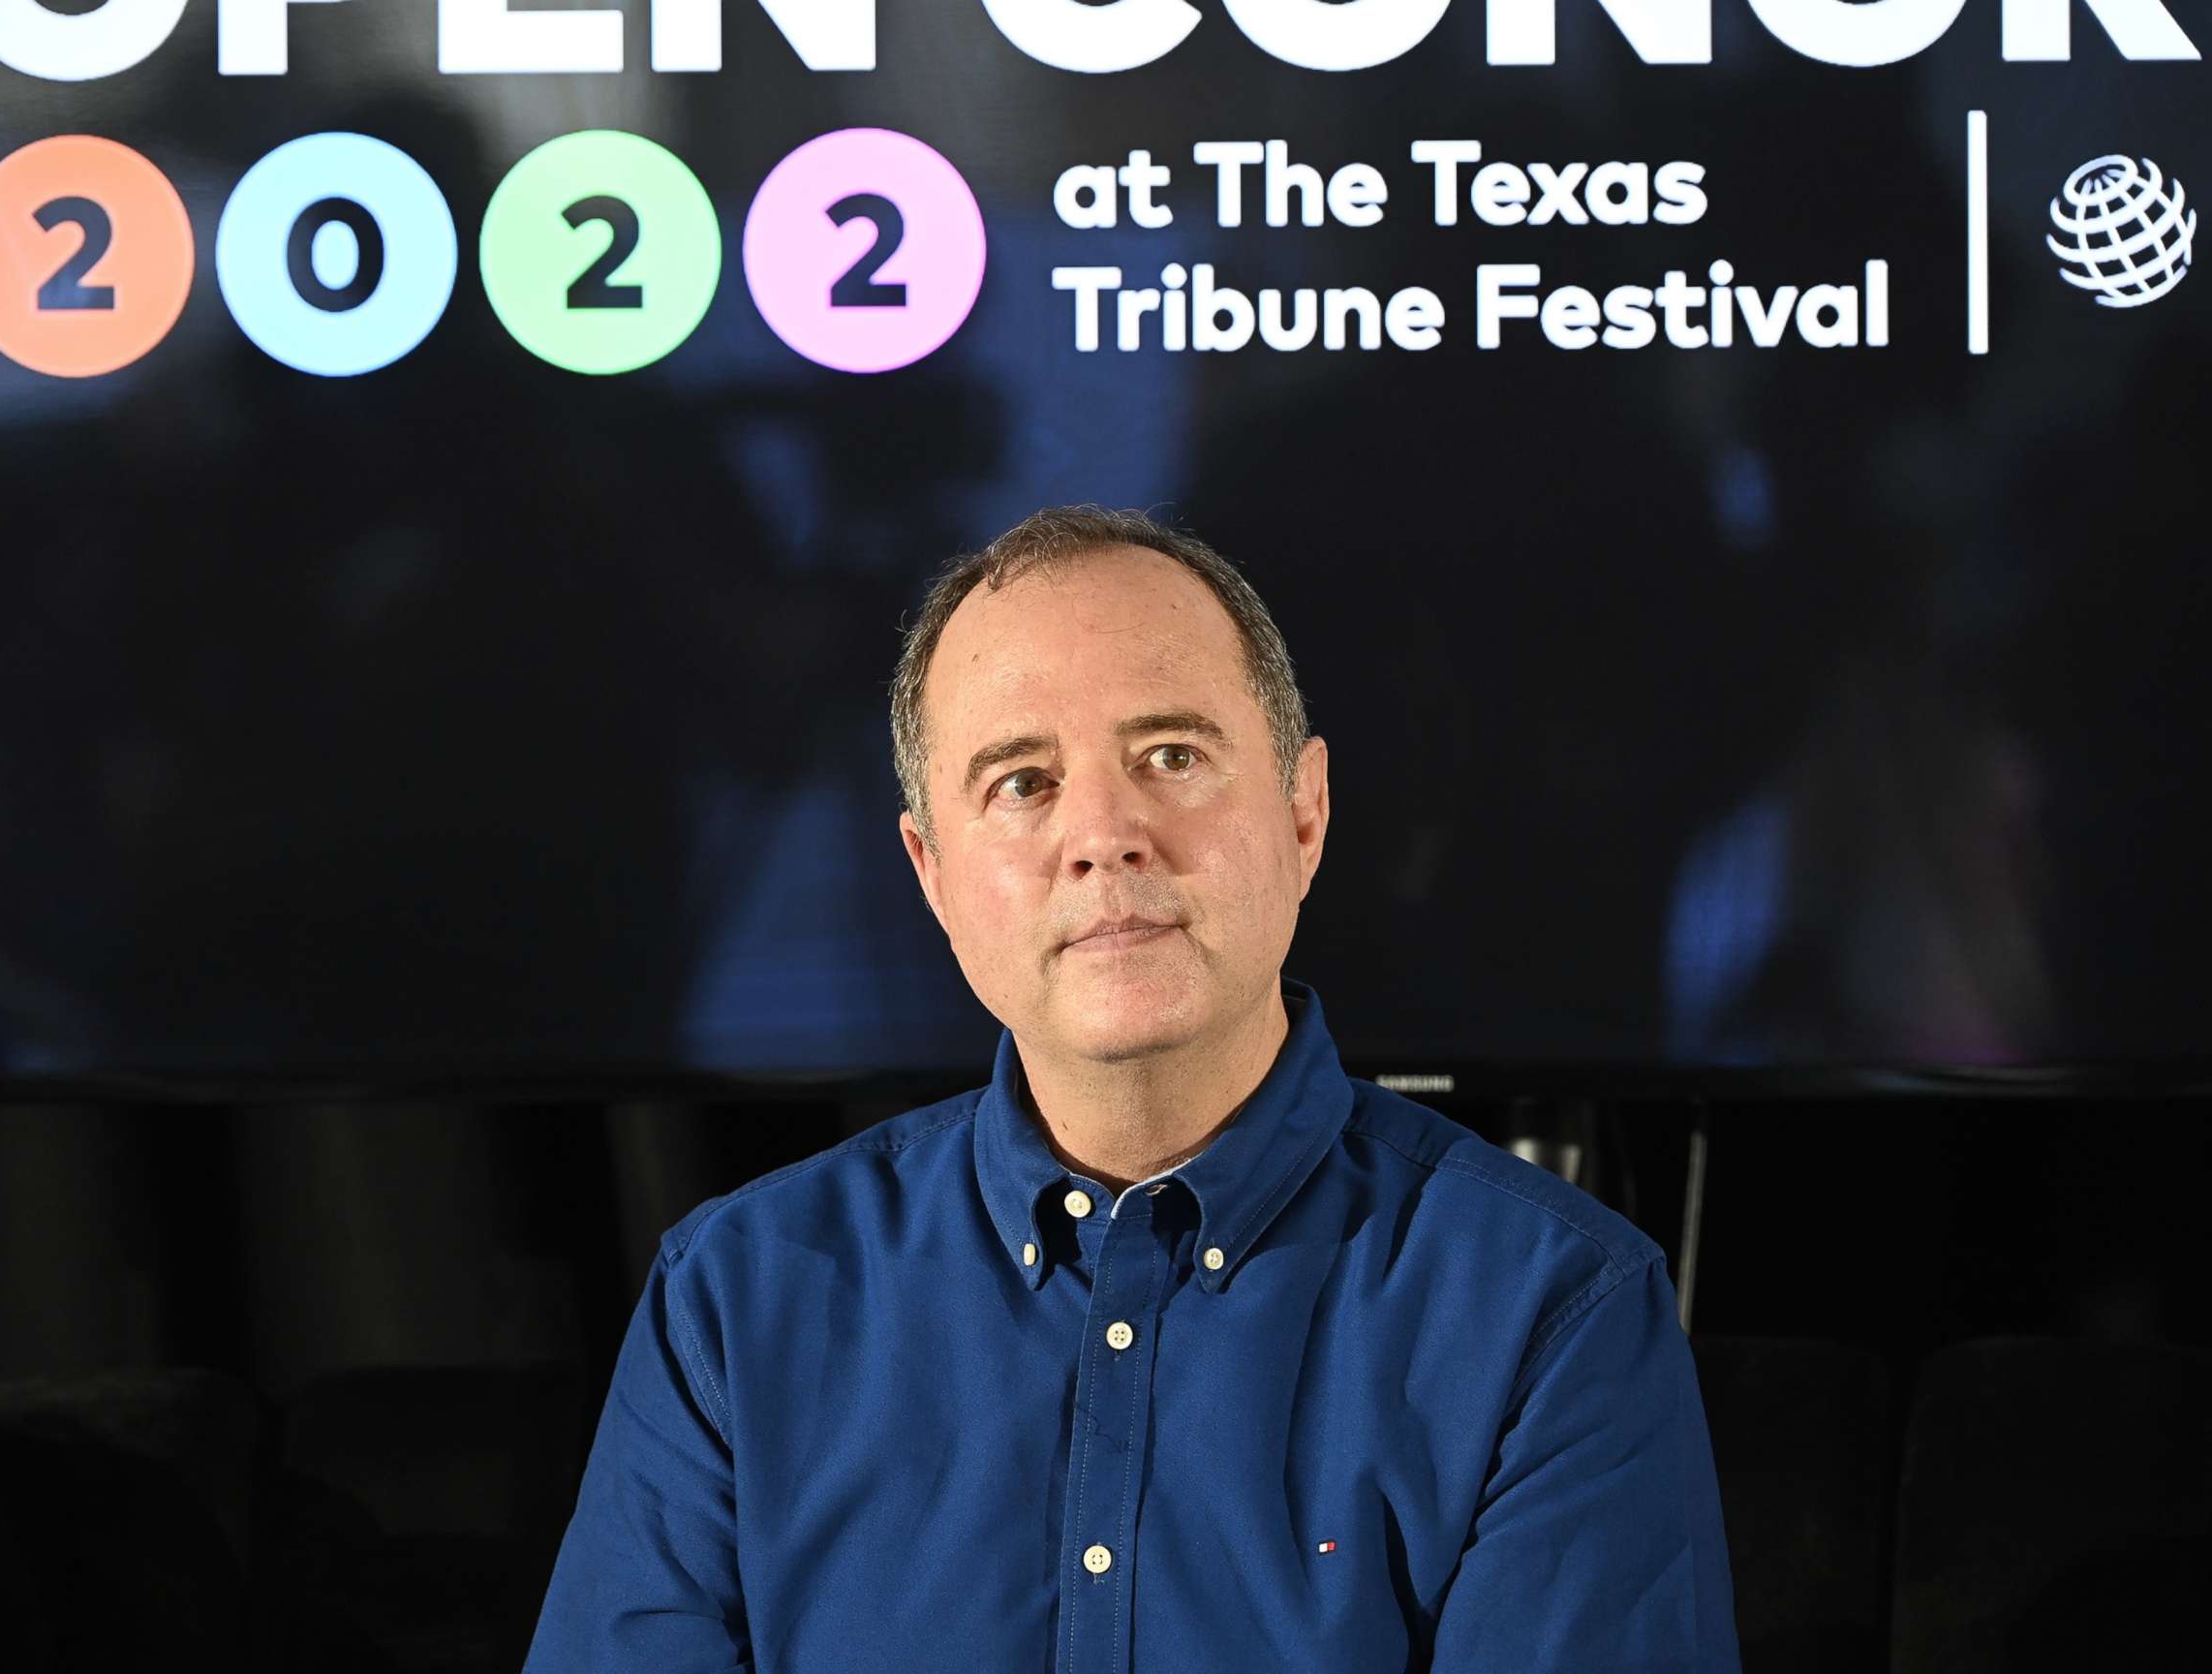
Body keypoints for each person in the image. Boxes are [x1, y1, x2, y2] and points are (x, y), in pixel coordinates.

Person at [523, 506, 1739, 1672]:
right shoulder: (733, 1305)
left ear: (1305, 813)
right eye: (1022, 781)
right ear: (931, 873)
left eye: (1172, 755)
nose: (1105, 834)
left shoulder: (1555, 1312)